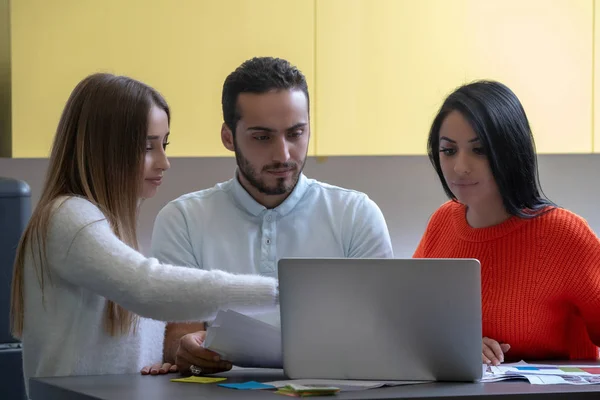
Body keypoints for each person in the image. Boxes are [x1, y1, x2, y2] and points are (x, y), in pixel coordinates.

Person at [9, 73, 279, 395]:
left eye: (164, 144)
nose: (164, 162)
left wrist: (163, 359)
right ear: (104, 148)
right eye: (148, 147)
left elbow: (127, 337)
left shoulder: (107, 227)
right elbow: (148, 289)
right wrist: (281, 290)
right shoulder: (68, 218)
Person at [148, 56, 393, 375]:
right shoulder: (182, 219)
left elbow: (381, 334)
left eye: (295, 133)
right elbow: (180, 336)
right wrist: (188, 349)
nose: (283, 154)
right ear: (228, 137)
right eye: (262, 137)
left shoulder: (357, 215)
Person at [413, 80, 600, 365]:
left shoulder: (564, 234)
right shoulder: (442, 222)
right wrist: (458, 346)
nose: (460, 167)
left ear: (510, 152)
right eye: (448, 151)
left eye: (480, 150)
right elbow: (411, 324)